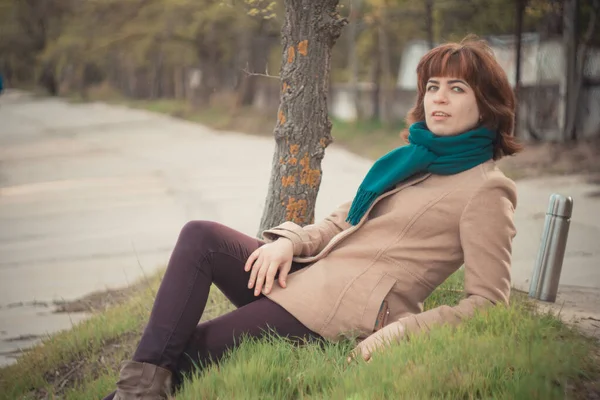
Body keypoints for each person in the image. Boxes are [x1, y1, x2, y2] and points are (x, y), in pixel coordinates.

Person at [104, 35, 522, 400]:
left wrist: (404, 329)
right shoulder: (413, 160)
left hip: (339, 313)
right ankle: (138, 394)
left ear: (485, 106)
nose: (439, 98)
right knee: (200, 237)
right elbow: (342, 221)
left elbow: (487, 302)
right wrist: (288, 242)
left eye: (457, 88)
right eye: (432, 87)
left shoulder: (485, 188)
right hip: (307, 278)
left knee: (185, 353)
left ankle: (135, 394)